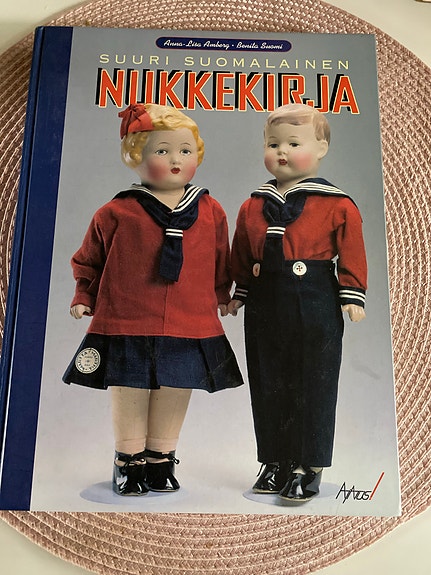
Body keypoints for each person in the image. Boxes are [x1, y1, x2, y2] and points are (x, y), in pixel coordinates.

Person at [63, 103, 243, 496]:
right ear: (135, 156)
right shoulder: (117, 211)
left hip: (190, 319)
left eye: (185, 150)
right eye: (162, 151)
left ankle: (161, 457)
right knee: (129, 387)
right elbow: (90, 257)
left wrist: (222, 295)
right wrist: (84, 293)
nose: (176, 159)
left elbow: (220, 257)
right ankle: (128, 460)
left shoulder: (210, 210)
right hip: (127, 317)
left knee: (176, 386)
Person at [228, 103, 367, 502]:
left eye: (293, 143)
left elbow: (352, 250)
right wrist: (239, 291)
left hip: (315, 298)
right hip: (265, 301)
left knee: (314, 381)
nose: (282, 152)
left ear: (321, 148)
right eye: (273, 144)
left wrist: (352, 293)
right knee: (268, 379)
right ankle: (275, 459)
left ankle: (309, 464)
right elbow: (243, 251)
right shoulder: (253, 205)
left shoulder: (337, 204)